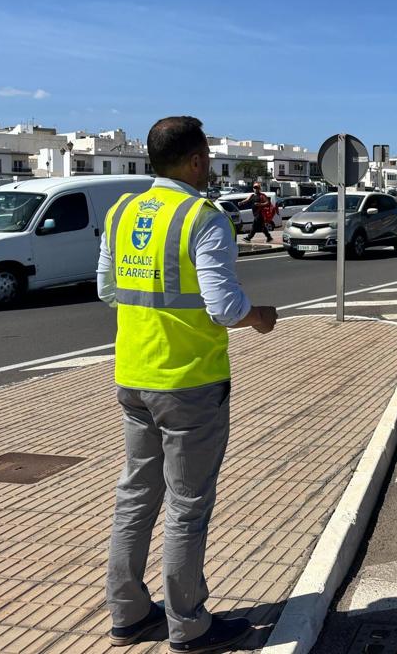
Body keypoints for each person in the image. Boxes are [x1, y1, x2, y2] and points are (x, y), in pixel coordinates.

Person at [99, 116, 278, 653]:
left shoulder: (121, 211)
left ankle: (129, 614)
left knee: (134, 496)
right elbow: (224, 307)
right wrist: (260, 316)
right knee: (187, 505)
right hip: (190, 384)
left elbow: (109, 289)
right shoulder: (203, 217)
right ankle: (188, 625)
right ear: (197, 160)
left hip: (132, 376)